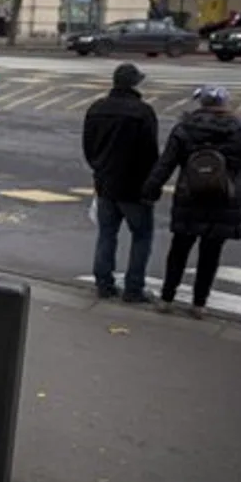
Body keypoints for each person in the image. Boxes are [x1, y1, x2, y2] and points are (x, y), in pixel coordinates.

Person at [142, 86, 241, 319]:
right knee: (211, 254)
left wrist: (150, 189)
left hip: (190, 198)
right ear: (225, 104)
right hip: (224, 201)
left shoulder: (185, 129)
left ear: (202, 103)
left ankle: (167, 298)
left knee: (179, 250)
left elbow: (165, 164)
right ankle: (199, 304)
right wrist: (238, 190)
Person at [83, 63, 160, 302]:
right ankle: (133, 288)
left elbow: (88, 147)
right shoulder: (143, 112)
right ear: (134, 84)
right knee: (142, 236)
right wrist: (152, 185)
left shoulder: (97, 108)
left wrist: (99, 168)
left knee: (107, 234)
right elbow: (150, 153)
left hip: (105, 183)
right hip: (135, 186)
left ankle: (104, 284)